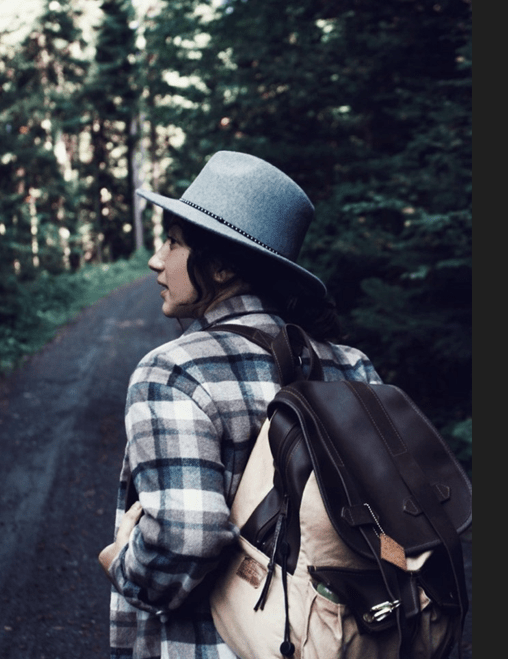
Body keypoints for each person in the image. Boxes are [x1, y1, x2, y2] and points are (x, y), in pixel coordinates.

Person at [99, 151, 382, 658]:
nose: (155, 260)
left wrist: (122, 565)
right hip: (338, 640)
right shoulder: (352, 367)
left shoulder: (175, 371)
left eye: (173, 242)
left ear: (224, 265)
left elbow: (188, 535)